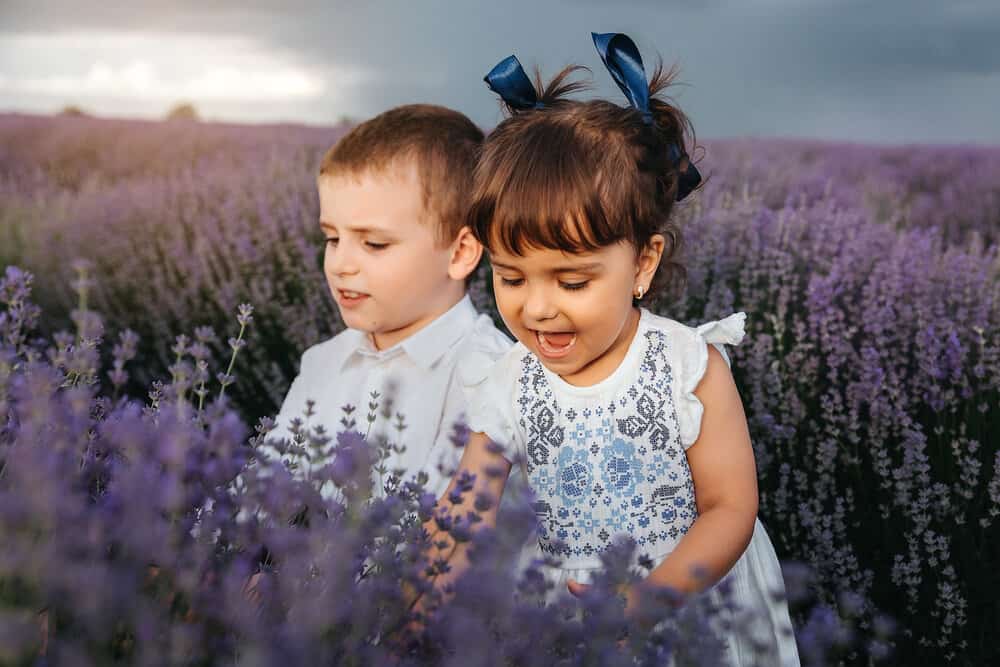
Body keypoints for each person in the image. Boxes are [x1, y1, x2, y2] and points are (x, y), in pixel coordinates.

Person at [420, 34, 800, 665]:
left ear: (643, 263)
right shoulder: (510, 381)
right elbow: (466, 511)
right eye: (510, 276)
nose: (537, 307)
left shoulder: (687, 367)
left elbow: (730, 506)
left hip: (688, 603)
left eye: (572, 281)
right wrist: (410, 600)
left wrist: (649, 600)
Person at [258, 104, 511, 500]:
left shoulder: (489, 379)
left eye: (374, 243)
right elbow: (257, 497)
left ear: (461, 253)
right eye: (332, 238)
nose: (341, 264)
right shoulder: (322, 363)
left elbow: (440, 540)